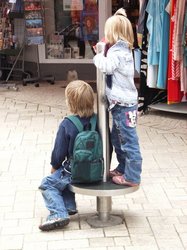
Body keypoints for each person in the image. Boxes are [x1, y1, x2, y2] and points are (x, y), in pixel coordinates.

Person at [93, 9, 142, 187]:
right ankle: (122, 168)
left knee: (128, 141)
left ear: (112, 33)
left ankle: (132, 176)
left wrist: (98, 56)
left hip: (123, 105)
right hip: (123, 104)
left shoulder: (117, 52)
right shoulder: (123, 49)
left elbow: (107, 67)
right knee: (118, 138)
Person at [38, 80, 95, 231]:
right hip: (96, 170)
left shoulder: (67, 124)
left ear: (70, 103)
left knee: (48, 183)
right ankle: (69, 206)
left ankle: (58, 213)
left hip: (75, 173)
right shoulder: (99, 120)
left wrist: (54, 166)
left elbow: (59, 152)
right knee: (60, 179)